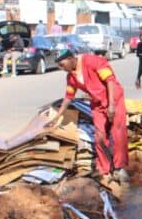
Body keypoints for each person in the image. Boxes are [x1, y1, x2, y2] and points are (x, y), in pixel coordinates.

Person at [46, 49, 130, 184]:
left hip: (113, 99)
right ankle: (105, 170)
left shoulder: (92, 61)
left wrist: (112, 105)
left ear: (71, 58)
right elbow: (68, 97)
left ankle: (120, 167)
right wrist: (57, 117)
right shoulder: (71, 76)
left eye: (62, 64)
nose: (62, 68)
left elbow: (109, 81)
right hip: (97, 103)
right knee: (100, 136)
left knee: (118, 132)